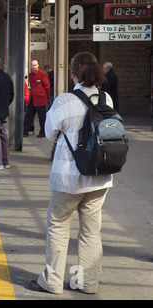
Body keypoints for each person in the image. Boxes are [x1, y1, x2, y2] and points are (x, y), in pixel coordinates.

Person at [29, 52, 114, 295]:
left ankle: (52, 281)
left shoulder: (65, 100)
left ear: (74, 74)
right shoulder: (106, 98)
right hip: (99, 176)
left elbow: (49, 133)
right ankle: (87, 283)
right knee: (91, 231)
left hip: (68, 177)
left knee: (58, 226)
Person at [23, 60, 50, 138]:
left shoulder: (43, 74)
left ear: (38, 65)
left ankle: (43, 132)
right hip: (33, 98)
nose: (33, 67)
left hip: (40, 98)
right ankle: (25, 131)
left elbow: (47, 87)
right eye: (32, 65)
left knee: (42, 117)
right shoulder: (30, 75)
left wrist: (46, 97)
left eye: (35, 65)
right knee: (29, 115)